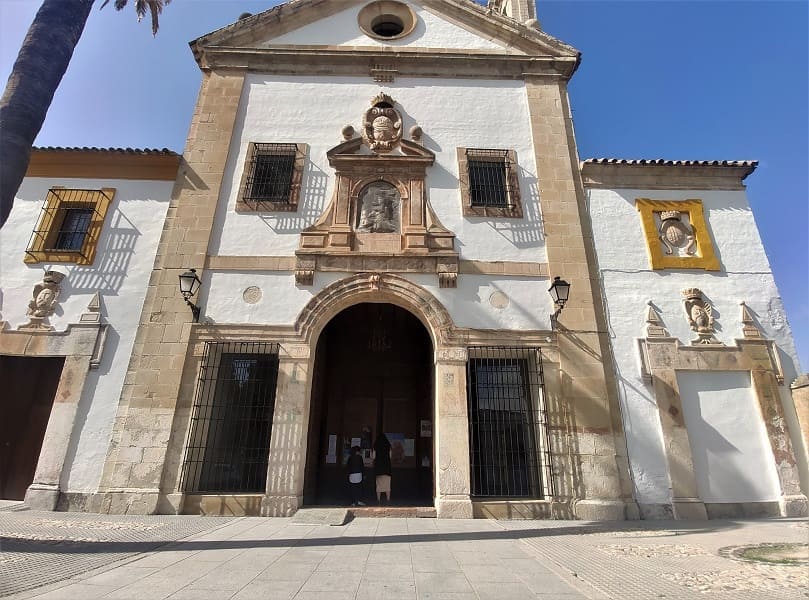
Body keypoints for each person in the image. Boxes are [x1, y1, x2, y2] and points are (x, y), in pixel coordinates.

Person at [373, 433, 392, 505]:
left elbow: (374, 457)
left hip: (378, 468)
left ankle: (378, 500)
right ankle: (388, 500)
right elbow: (390, 456)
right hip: (387, 468)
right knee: (387, 485)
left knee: (379, 485)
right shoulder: (388, 446)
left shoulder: (376, 446)